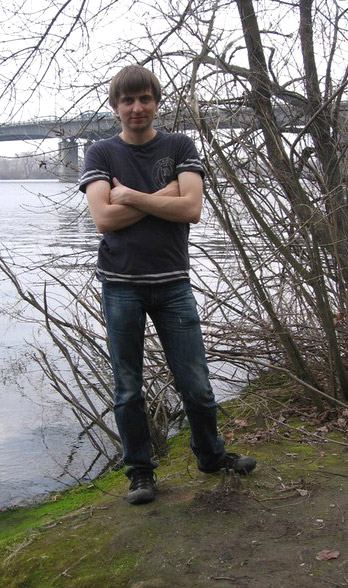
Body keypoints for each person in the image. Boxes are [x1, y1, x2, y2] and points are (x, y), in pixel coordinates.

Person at [79, 64, 256, 505]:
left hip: (173, 283)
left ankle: (210, 456)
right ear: (115, 106)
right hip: (121, 285)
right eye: (128, 100)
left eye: (145, 98)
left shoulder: (180, 145)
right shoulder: (100, 153)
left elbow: (192, 209)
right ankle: (140, 473)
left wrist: (131, 196)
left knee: (196, 384)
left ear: (157, 102)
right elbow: (104, 219)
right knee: (128, 389)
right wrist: (166, 195)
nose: (137, 107)